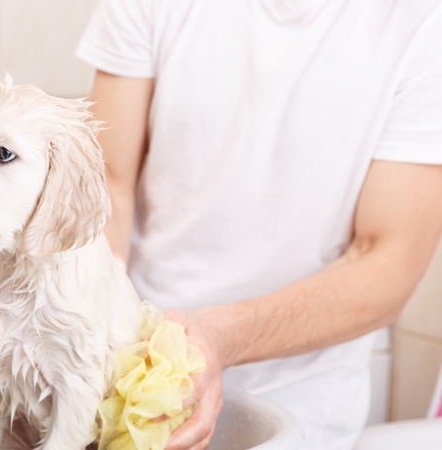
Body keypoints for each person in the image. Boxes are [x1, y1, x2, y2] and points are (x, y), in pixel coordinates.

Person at [76, 1, 442, 449]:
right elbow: (109, 182)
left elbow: (387, 262)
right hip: (132, 386)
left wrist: (219, 338)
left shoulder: (423, 23)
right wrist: (82, 312)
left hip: (303, 412)